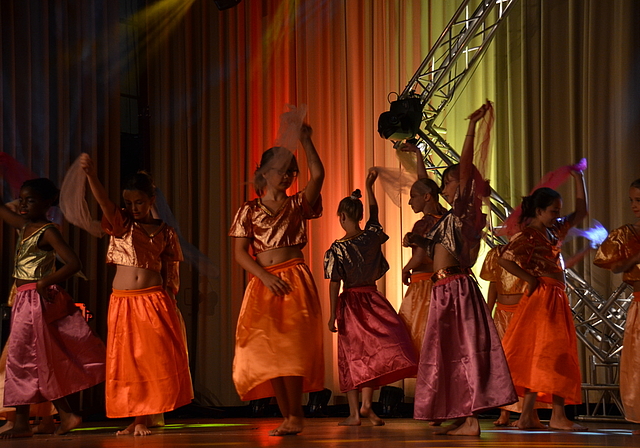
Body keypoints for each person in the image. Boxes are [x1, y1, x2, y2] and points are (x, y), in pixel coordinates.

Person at [413, 102, 517, 436]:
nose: (442, 190)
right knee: (449, 352)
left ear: (461, 185)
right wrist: (417, 159)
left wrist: (471, 129)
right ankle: (460, 414)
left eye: (448, 183)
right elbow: (424, 185)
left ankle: (471, 419)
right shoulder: (448, 216)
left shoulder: (462, 210)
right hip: (446, 289)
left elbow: (467, 165)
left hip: (454, 289)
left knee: (462, 351)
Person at [80, 155, 193, 436]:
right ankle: (136, 417)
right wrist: (92, 176)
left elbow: (171, 269)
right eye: (129, 203)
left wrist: (172, 300)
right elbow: (105, 202)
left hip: (154, 300)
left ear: (152, 198)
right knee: (128, 359)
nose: (133, 208)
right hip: (124, 301)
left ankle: (145, 417)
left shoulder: (166, 232)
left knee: (151, 358)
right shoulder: (121, 223)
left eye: (139, 202)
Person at [229, 124, 324, 436]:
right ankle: (288, 416)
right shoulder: (249, 210)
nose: (286, 177)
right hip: (264, 283)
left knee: (292, 350)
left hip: (294, 279)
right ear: (265, 174)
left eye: (291, 172)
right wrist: (263, 277)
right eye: (281, 171)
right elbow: (241, 253)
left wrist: (306, 141)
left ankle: (296, 414)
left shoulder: (297, 204)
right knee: (269, 353)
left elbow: (318, 175)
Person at [0, 178, 106, 439]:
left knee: (22, 360)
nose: (23, 205)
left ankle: (35, 420)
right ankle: (56, 416)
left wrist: (45, 280)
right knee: (30, 361)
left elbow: (73, 263)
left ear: (48, 203)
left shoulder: (47, 231)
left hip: (34, 301)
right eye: (22, 199)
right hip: (23, 300)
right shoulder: (25, 225)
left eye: (31, 200)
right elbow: (3, 211)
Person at [324, 169, 418, 427]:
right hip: (372, 299)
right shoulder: (371, 236)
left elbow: (335, 283)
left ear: (342, 217)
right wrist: (369, 187)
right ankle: (365, 406)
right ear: (360, 216)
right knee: (372, 353)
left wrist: (332, 313)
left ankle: (357, 411)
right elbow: (375, 213)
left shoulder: (337, 248)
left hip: (351, 303)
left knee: (352, 356)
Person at [498, 177, 588, 431]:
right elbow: (505, 258)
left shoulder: (553, 230)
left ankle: (529, 415)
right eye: (553, 211)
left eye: (558, 211)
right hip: (544, 297)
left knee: (546, 355)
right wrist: (529, 279)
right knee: (552, 353)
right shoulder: (529, 235)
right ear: (538, 211)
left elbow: (581, 211)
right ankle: (556, 416)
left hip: (555, 296)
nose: (557, 216)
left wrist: (579, 178)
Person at [480, 244, 552, 427]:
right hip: (502, 313)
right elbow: (494, 282)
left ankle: (529, 414)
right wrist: (489, 310)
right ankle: (504, 411)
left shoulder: (530, 251)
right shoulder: (496, 252)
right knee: (503, 363)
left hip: (524, 312)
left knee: (525, 363)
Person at [594, 178, 640, 435]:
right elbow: (609, 262)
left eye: (639, 201)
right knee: (637, 365)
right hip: (639, 303)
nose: (634, 206)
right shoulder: (626, 234)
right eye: (632, 201)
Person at [397, 143, 445, 357]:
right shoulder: (445, 217)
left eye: (413, 196)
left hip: (424, 288)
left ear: (425, 197)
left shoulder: (424, 225)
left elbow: (422, 256)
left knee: (421, 342)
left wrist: (405, 268)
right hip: (441, 284)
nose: (409, 201)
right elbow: (425, 185)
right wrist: (418, 154)